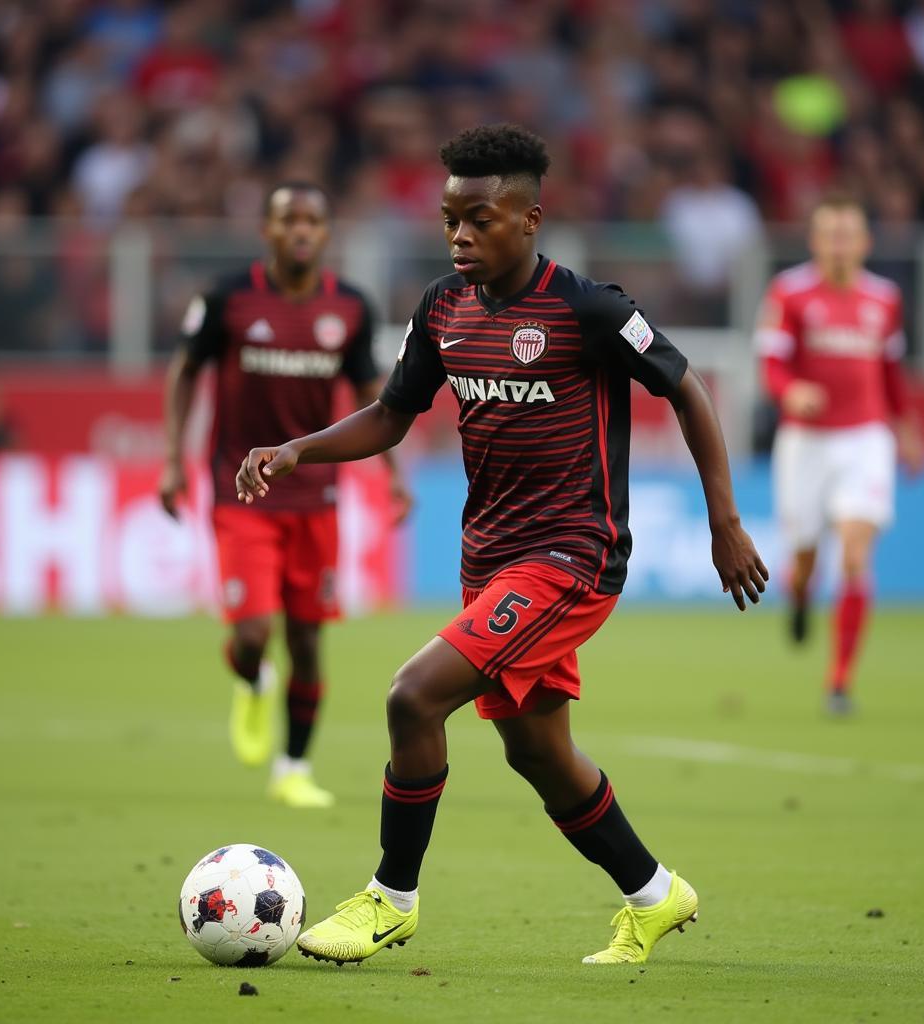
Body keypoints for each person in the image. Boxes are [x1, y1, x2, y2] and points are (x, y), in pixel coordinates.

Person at [236, 126, 767, 965]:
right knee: (536, 749)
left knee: (413, 697)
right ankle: (656, 894)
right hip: (489, 559)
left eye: (479, 219)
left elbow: (687, 388)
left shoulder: (589, 308)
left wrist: (724, 521)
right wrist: (300, 447)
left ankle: (390, 900)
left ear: (529, 219)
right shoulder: (442, 308)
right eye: (450, 219)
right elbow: (388, 415)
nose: (459, 236)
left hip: (573, 556)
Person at [161, 181, 411, 808]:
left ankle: (293, 767)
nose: (300, 230)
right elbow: (186, 371)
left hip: (315, 499)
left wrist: (396, 475)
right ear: (268, 231)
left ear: (327, 234)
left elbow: (373, 399)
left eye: (312, 221)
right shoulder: (228, 298)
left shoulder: (350, 307)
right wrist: (172, 461)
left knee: (306, 638)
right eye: (288, 220)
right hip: (239, 493)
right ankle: (253, 680)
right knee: (252, 636)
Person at [755, 193, 924, 715]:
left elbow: (890, 372)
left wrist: (905, 426)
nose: (838, 245)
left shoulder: (885, 299)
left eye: (848, 235)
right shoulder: (789, 293)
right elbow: (772, 364)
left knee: (855, 554)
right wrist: (791, 392)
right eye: (829, 234)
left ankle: (839, 682)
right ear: (814, 241)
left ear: (865, 243)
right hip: (805, 442)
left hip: (865, 439)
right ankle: (802, 596)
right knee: (806, 560)